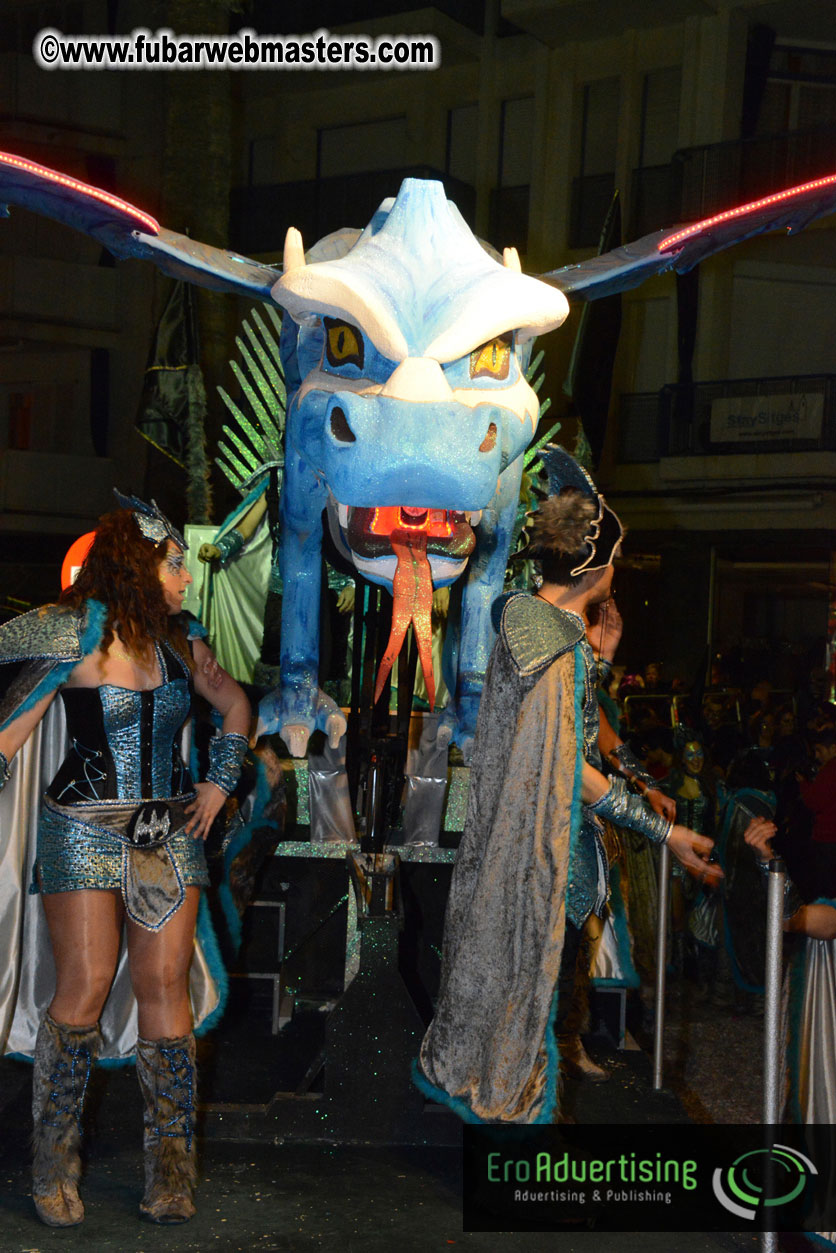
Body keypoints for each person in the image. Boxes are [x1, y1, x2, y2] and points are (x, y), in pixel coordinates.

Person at [414, 447, 721, 1123]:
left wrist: (601, 657)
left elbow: (563, 734)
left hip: (514, 849)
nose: (619, 571)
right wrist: (665, 830)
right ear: (592, 567)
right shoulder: (554, 648)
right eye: (615, 560)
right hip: (540, 859)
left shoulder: (529, 622)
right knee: (529, 1004)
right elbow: (571, 771)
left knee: (521, 1001)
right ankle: (523, 1163)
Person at [0, 492, 251, 1228]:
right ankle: (53, 1166)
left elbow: (235, 706)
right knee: (82, 986)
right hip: (80, 825)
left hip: (169, 833)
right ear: (140, 563)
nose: (187, 577)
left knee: (165, 988)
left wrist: (219, 780)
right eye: (176, 563)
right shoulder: (73, 632)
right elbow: (12, 732)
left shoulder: (182, 643)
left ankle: (171, 1175)